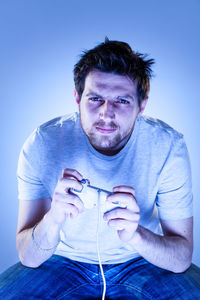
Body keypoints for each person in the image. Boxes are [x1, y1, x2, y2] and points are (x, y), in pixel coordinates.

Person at [0, 38, 200, 299]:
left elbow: (181, 258)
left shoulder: (167, 146)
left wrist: (136, 234)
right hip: (60, 262)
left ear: (142, 105)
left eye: (122, 101)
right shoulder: (43, 143)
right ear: (77, 97)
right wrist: (53, 218)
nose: (106, 113)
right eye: (95, 98)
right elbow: (28, 256)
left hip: (142, 261)